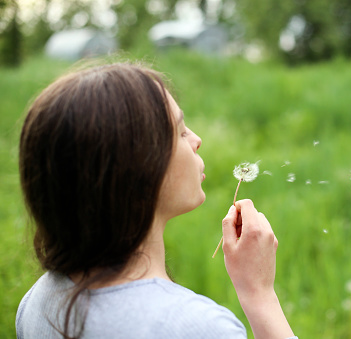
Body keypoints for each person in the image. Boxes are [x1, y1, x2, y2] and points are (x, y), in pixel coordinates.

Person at [16, 63, 296, 339]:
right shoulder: (197, 328)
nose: (196, 140)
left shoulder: (38, 302)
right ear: (140, 167)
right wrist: (259, 294)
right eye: (181, 131)